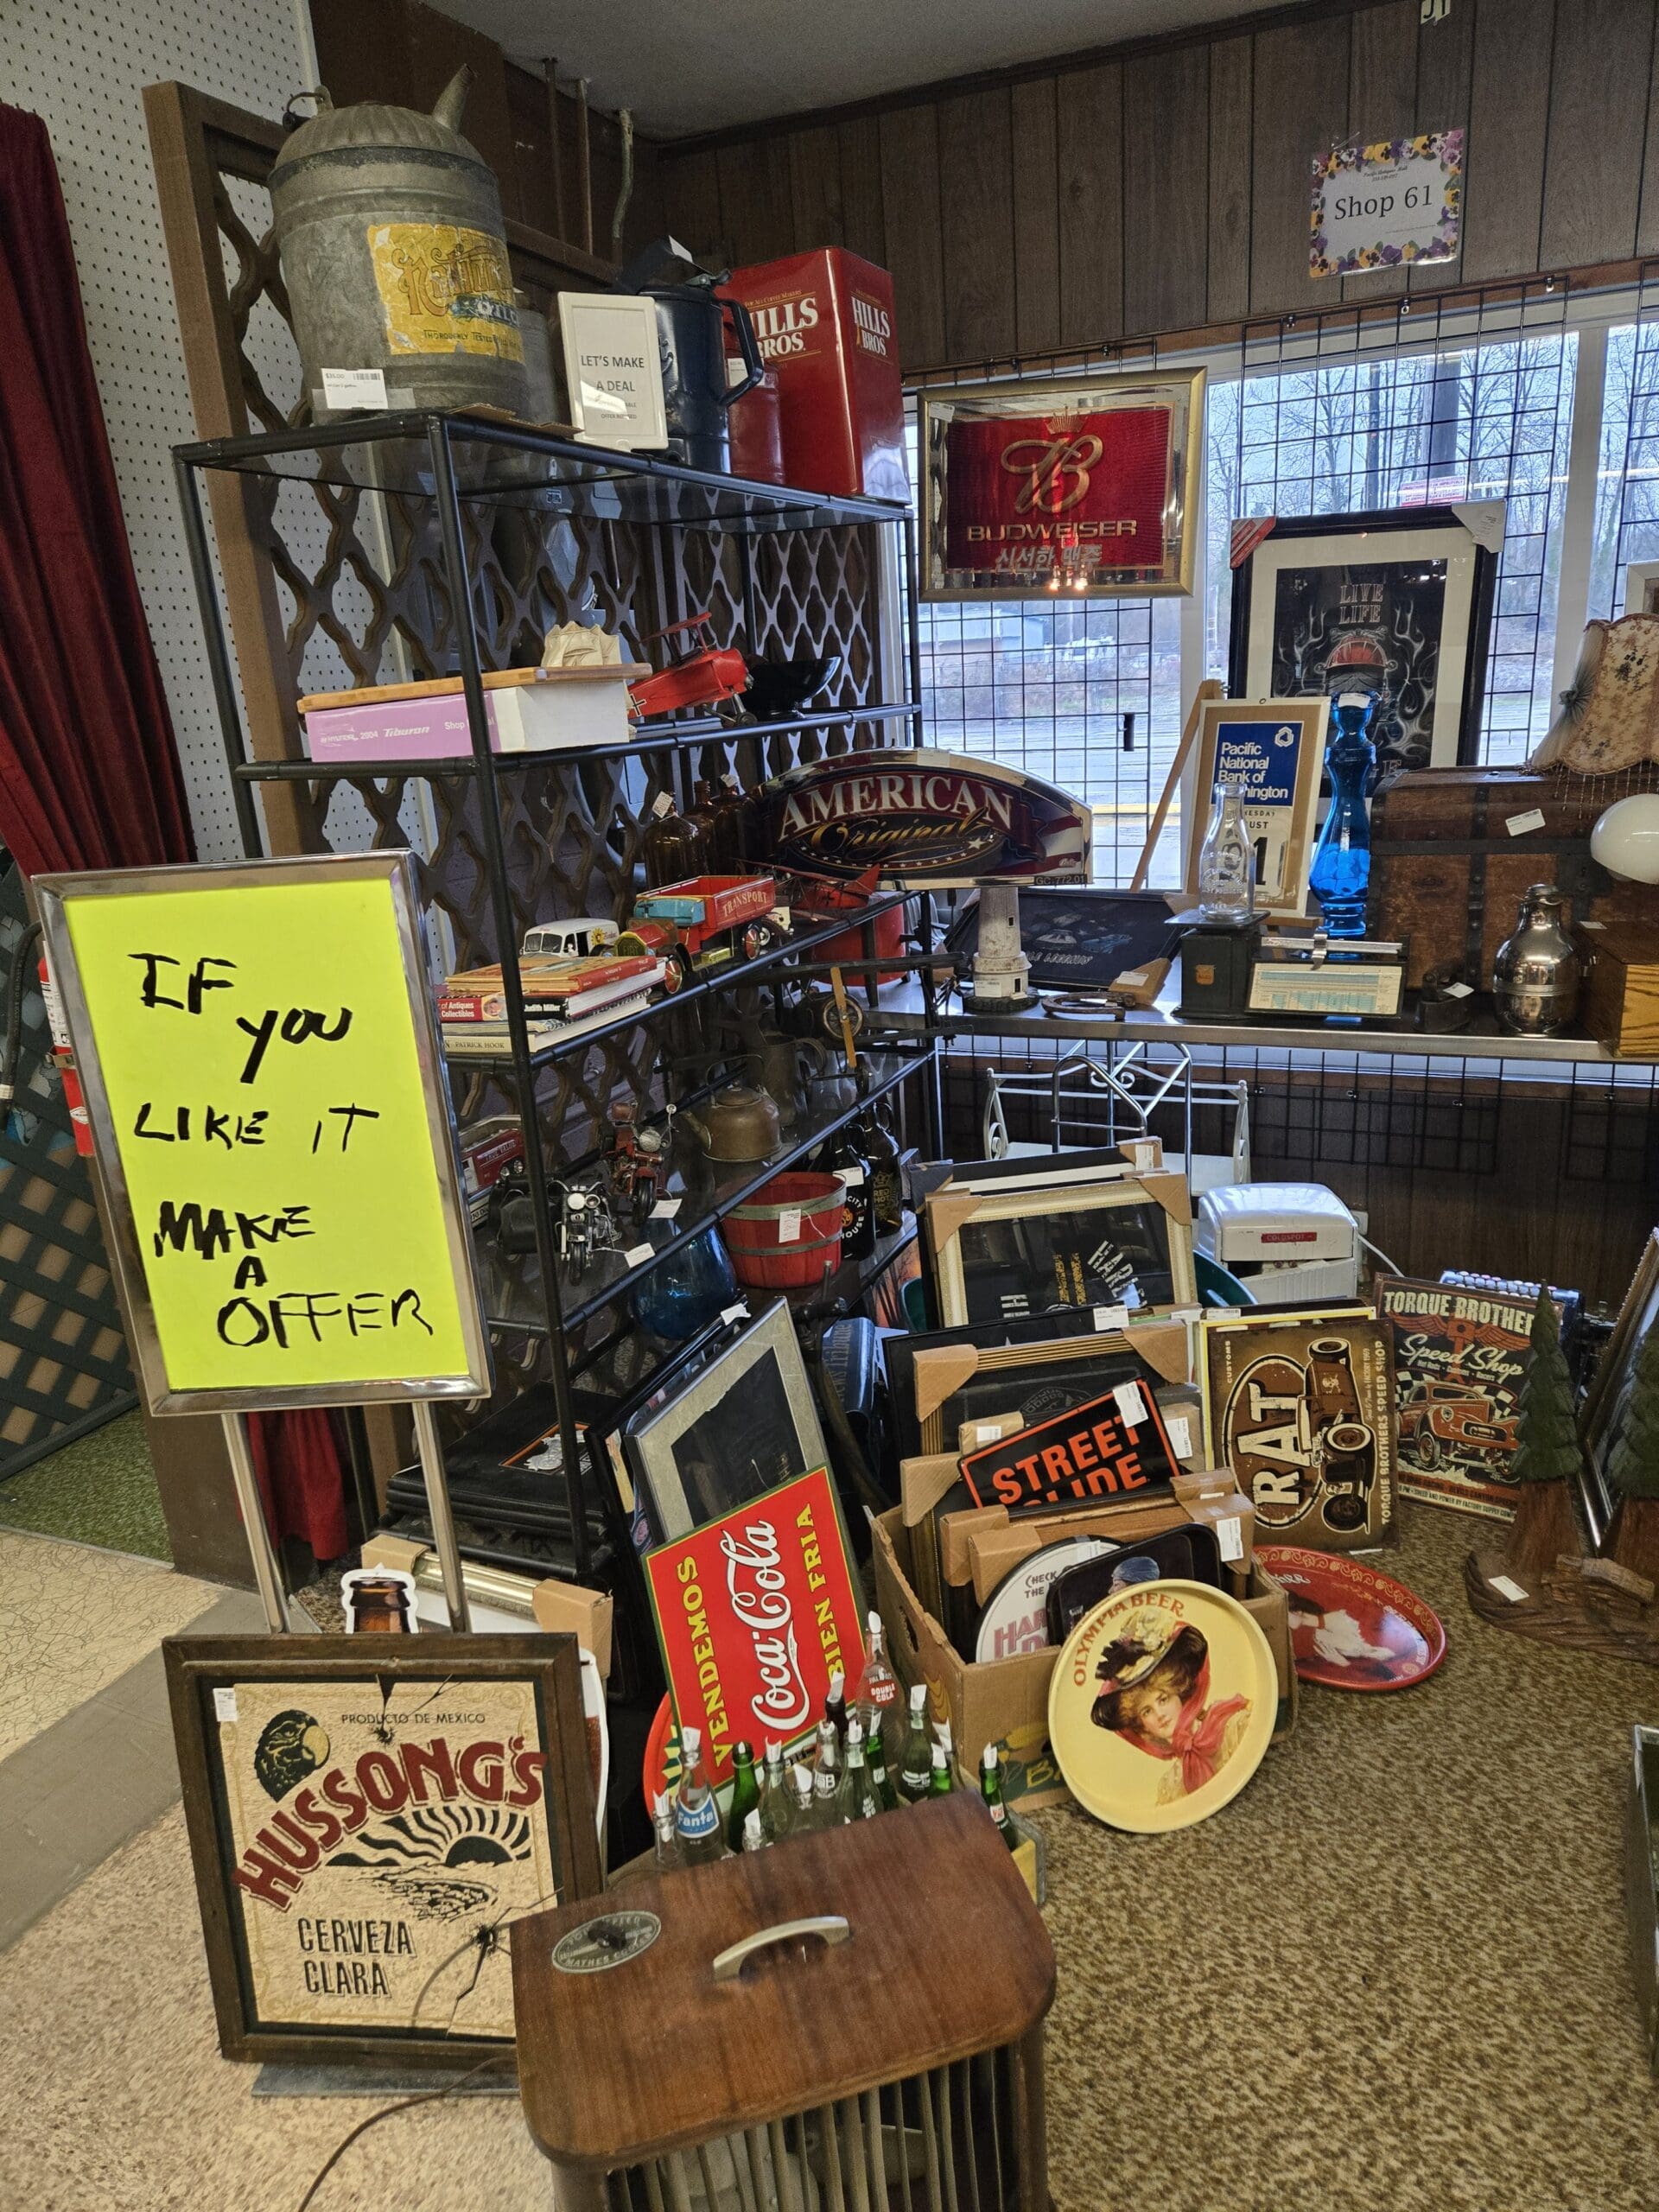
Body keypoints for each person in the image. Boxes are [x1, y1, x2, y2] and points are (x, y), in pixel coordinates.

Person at [1090, 1612, 1251, 1804]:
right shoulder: (1170, 1785)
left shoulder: (1233, 1727)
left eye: (1163, 1699)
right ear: (1140, 1724)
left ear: (1180, 1692)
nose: (1159, 1714)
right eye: (1147, 1711)